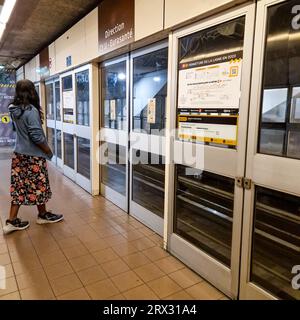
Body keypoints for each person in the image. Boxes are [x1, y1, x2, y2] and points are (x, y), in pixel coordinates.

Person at [3, 79, 63, 235]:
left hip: (19, 155)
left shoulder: (14, 109)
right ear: (32, 92)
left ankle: (11, 221)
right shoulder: (31, 110)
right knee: (40, 185)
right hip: (33, 156)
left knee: (19, 187)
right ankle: (42, 216)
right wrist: (48, 151)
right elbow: (36, 136)